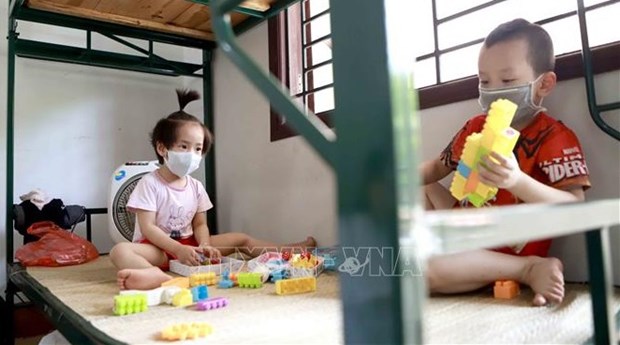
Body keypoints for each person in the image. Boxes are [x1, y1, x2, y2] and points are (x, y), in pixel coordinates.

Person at [421, 19, 590, 306]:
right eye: (484, 81)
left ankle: (529, 269)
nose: (493, 90)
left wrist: (516, 181)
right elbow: (435, 169)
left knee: (421, 270)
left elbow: (575, 206)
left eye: (508, 81)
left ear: (544, 84)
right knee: (417, 188)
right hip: (465, 224)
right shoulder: (475, 126)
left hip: (510, 243)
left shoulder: (553, 136)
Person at [110, 89, 316, 290]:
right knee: (119, 251)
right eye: (184, 146)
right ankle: (154, 275)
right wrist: (177, 249)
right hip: (158, 249)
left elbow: (200, 224)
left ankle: (290, 251)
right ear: (162, 148)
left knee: (240, 239)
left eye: (198, 149)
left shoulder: (196, 186)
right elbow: (149, 228)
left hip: (190, 244)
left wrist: (205, 245)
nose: (192, 154)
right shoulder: (149, 183)